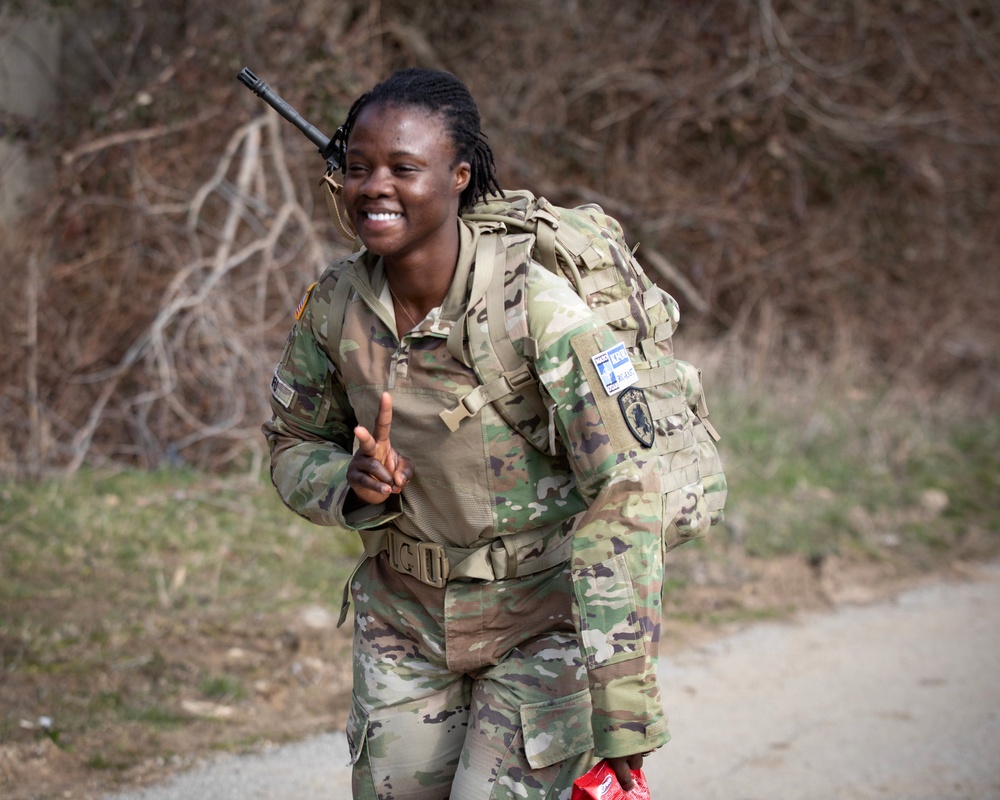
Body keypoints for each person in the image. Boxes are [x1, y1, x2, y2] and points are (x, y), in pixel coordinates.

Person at [262, 67, 669, 799]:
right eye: (358, 168)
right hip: (403, 621)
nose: (374, 187)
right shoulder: (333, 307)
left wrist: (625, 716)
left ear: (458, 176)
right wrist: (349, 486)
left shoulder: (540, 313)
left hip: (538, 629)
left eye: (403, 169)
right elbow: (292, 443)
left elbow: (628, 496)